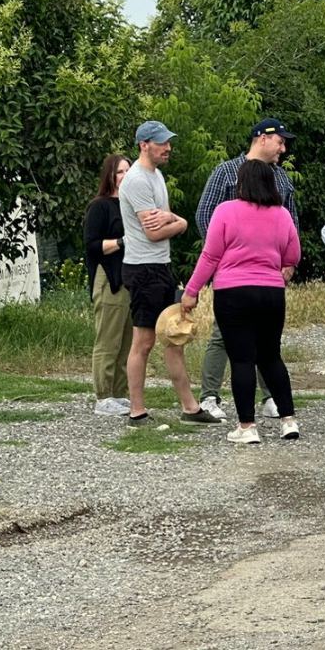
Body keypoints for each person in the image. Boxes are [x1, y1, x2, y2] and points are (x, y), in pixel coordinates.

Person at [183, 160, 302, 443]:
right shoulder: (282, 214)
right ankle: (289, 420)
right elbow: (293, 255)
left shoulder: (225, 211)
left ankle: (247, 427)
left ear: (242, 183)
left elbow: (210, 255)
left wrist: (192, 290)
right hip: (271, 292)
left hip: (233, 292)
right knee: (271, 356)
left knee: (242, 359)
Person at [120, 121, 217, 426]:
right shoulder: (136, 180)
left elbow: (164, 223)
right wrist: (182, 222)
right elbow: (154, 232)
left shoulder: (157, 176)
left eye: (168, 142)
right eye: (161, 142)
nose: (168, 147)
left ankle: (189, 407)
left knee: (173, 334)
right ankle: (136, 410)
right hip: (142, 268)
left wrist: (172, 220)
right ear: (143, 144)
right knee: (144, 341)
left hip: (160, 266)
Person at [85, 154, 132, 416]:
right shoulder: (100, 206)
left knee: (127, 340)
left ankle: (119, 392)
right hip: (108, 277)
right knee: (108, 340)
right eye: (120, 172)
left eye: (128, 171)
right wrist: (122, 242)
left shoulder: (130, 204)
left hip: (129, 278)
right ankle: (103, 396)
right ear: (110, 176)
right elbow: (92, 246)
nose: (125, 176)